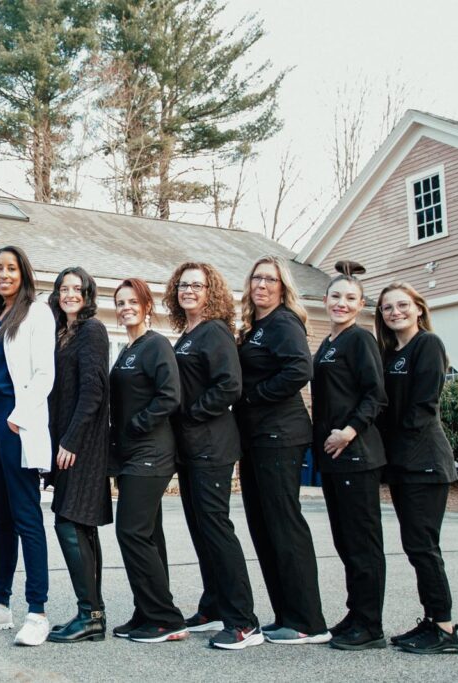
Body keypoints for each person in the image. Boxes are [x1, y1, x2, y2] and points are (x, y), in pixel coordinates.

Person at [163, 261, 262, 651]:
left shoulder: (216, 331)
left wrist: (190, 413)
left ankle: (243, 621)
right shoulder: (187, 333)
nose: (188, 290)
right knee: (201, 529)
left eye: (197, 285)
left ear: (211, 292)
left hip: (212, 446)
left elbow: (229, 386)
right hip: (189, 448)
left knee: (217, 529)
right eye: (183, 285)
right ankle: (214, 605)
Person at [234, 256, 330, 645]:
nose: (262, 284)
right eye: (257, 278)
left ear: (282, 286)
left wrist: (253, 397)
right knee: (263, 526)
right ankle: (286, 614)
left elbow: (298, 371)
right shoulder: (255, 327)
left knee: (285, 526)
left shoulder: (285, 322)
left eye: (270, 279)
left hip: (280, 436)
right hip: (255, 439)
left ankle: (309, 621)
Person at [0, 246, 54, 647]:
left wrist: (18, 417)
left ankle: (37, 611)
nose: (3, 274)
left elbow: (43, 374)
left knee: (26, 517)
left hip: (15, 424)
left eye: (10, 268)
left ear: (24, 273)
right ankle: (0, 606)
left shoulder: (37, 313)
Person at [375, 282, 458, 655]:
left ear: (418, 308)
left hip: (424, 462)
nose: (396, 312)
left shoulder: (428, 345)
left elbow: (422, 406)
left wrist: (387, 445)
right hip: (402, 465)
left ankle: (444, 629)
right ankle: (431, 620)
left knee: (424, 547)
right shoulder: (391, 352)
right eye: (388, 308)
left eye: (402, 305)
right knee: (415, 546)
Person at [311, 261, 388, 651]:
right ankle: (356, 613)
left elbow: (375, 394)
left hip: (357, 455)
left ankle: (370, 626)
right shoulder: (327, 344)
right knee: (344, 541)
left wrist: (349, 431)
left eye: (351, 299)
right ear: (325, 300)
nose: (342, 303)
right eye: (336, 296)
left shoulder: (361, 341)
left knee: (362, 542)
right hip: (333, 459)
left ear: (360, 306)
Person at [107, 278, 188, 644]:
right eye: (120, 301)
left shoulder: (156, 345)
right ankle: (147, 612)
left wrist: (137, 426)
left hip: (151, 452)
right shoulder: (128, 348)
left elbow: (170, 395)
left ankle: (166, 618)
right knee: (149, 536)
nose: (125, 307)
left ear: (146, 305)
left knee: (131, 531)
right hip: (129, 455)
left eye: (132, 301)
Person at [45, 267, 112, 644]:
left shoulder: (91, 330)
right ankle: (92, 614)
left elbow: (93, 391)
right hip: (68, 443)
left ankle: (90, 613)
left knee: (68, 522)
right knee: (81, 525)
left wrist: (69, 441)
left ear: (88, 294)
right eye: (63, 288)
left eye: (77, 288)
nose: (70, 294)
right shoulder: (62, 333)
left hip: (82, 445)